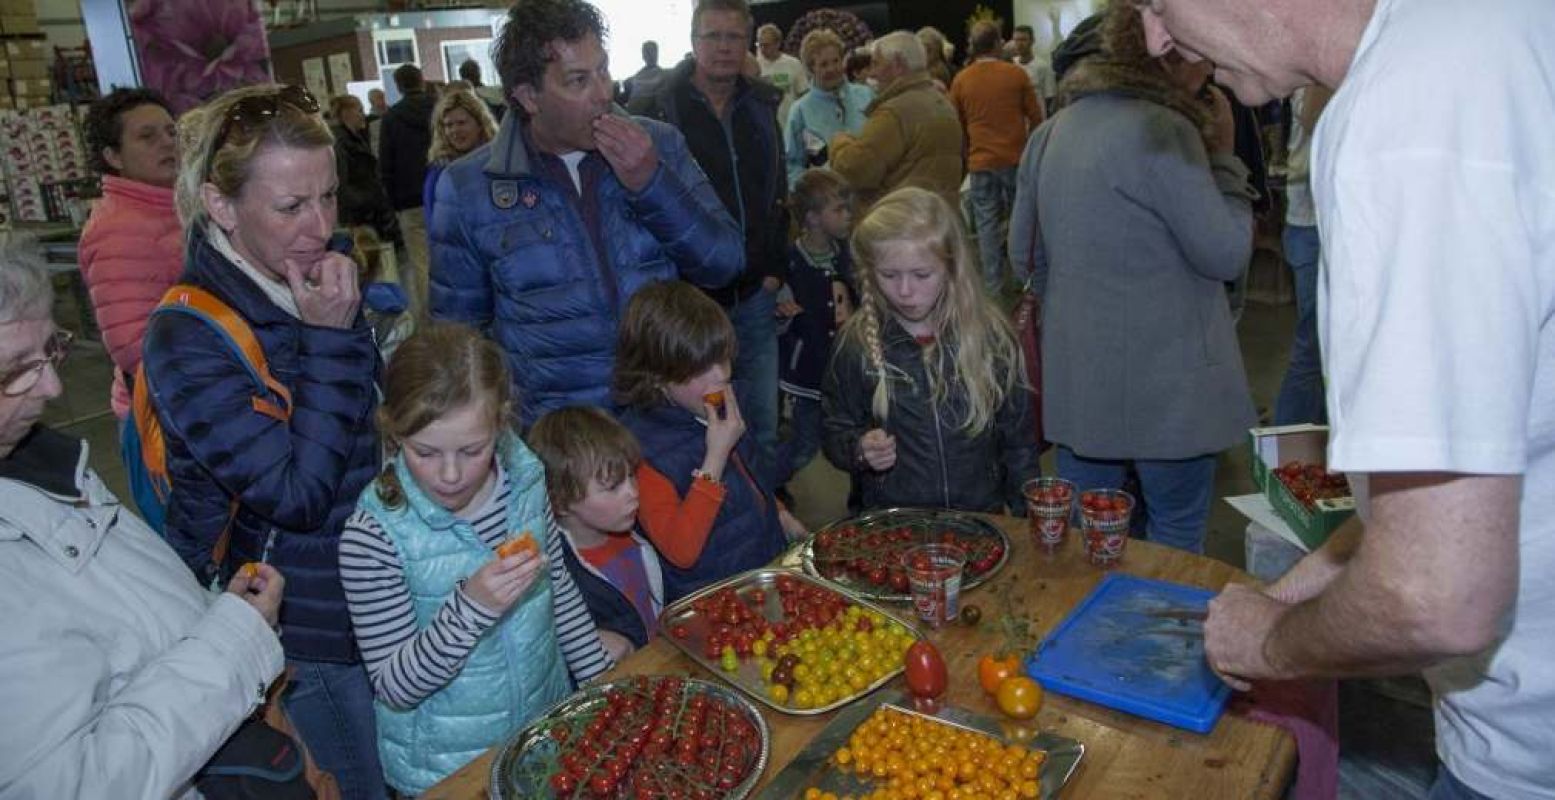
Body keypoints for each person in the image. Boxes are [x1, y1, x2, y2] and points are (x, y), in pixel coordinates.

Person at [1139, 0, 1555, 797]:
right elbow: (1463, 483)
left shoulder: (1403, 114)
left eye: (1155, 1)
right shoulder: (1486, 30)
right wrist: (1286, 592)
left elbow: (1435, 596)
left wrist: (1268, 643)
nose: (1158, 39)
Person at [143, 84, 388, 800]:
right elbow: (295, 495)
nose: (320, 225)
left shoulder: (311, 274)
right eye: (290, 207)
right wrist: (330, 341)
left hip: (370, 594)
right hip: (302, 630)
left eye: (330, 197)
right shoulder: (186, 334)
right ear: (221, 207)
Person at [0, 246, 287, 799]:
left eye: (50, 351)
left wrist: (214, 613)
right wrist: (235, 639)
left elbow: (118, 620)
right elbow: (78, 784)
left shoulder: (39, 463)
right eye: (15, 370)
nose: (54, 389)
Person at [1008, 4, 1253, 554]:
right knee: (1173, 535)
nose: (1207, 70)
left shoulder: (1048, 135)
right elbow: (1226, 254)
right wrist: (1227, 166)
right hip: (1172, 391)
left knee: (1087, 543)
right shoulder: (1169, 130)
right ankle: (1159, 643)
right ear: (1165, 57)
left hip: (1080, 385)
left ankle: (1090, 639)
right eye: (1198, 57)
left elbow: (1023, 260)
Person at [429, 0, 743, 429]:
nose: (603, 92)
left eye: (604, 70)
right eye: (578, 80)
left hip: (669, 424)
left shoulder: (660, 146)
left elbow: (724, 264)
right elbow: (458, 341)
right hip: (562, 443)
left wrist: (652, 183)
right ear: (528, 96)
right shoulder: (468, 188)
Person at [339, 324, 612, 796]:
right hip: (448, 770)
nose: (449, 475)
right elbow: (395, 687)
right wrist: (470, 608)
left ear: (501, 424)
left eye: (472, 450)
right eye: (424, 452)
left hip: (543, 733)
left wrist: (601, 686)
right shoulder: (375, 536)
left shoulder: (525, 477)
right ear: (394, 431)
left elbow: (558, 589)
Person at [639, 0, 789, 480]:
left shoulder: (762, 104)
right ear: (692, 40)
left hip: (754, 293)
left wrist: (774, 270)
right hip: (691, 300)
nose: (724, 48)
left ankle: (768, 507)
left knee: (762, 417)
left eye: (733, 37)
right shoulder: (658, 107)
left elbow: (776, 190)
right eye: (713, 37)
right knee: (695, 419)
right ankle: (718, 512)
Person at [822, 187, 1038, 513]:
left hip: (978, 523)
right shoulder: (857, 345)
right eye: (889, 275)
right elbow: (834, 428)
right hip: (894, 528)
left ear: (952, 268)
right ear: (869, 272)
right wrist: (860, 450)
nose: (905, 291)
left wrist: (1028, 521)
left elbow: (1019, 446)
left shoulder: (992, 338)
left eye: (922, 275)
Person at [614, 281, 802, 603]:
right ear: (657, 377)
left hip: (761, 568)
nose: (720, 375)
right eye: (701, 367)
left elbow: (750, 475)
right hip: (712, 600)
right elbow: (681, 550)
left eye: (723, 359)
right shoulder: (640, 453)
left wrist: (778, 512)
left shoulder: (721, 401)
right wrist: (715, 455)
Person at [77, 87, 182, 531]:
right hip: (163, 421)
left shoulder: (175, 207)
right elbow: (133, 349)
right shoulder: (118, 229)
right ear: (112, 156)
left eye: (170, 131)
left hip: (190, 405)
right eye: (147, 136)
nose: (167, 143)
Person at [528, 405, 663, 659]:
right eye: (613, 487)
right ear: (560, 501)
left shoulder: (635, 536)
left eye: (631, 476)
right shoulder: (558, 581)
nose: (633, 492)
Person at [950, 21, 1044, 295]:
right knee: (1022, 220)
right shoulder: (1016, 75)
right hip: (1016, 158)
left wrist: (967, 155)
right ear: (998, 44)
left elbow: (958, 125)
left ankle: (992, 285)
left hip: (980, 162)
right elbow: (1037, 119)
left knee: (987, 224)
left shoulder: (961, 80)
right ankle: (1023, 279)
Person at [777, 168, 855, 490]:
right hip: (807, 371)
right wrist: (782, 313)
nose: (847, 216)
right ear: (812, 218)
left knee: (854, 435)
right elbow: (778, 316)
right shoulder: (790, 262)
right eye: (838, 209)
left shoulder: (849, 256)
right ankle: (774, 490)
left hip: (847, 370)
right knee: (805, 441)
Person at [830, 31, 964, 212]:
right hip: (939, 218)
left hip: (900, 224)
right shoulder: (943, 103)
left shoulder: (895, 112)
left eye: (876, 63)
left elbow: (855, 171)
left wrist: (839, 142)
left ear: (898, 65)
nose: (873, 73)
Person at [1271, 85, 1330, 426]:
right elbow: (1315, 120)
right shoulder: (1317, 79)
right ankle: (1288, 453)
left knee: (1323, 350)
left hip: (1316, 224)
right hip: (1311, 225)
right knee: (1313, 349)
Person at [379, 63, 436, 317]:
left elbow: (385, 163)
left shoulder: (391, 118)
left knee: (421, 263)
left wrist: (393, 200)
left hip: (408, 201)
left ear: (399, 86)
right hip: (441, 195)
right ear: (422, 80)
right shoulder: (438, 109)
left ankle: (428, 318)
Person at [784, 28, 874, 187]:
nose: (832, 69)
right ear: (811, 69)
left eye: (836, 61)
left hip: (873, 192)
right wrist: (814, 191)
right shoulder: (800, 111)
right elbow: (791, 165)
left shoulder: (867, 96)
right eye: (823, 64)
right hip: (830, 204)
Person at [330, 94, 402, 254]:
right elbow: (341, 183)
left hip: (367, 211)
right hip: (359, 214)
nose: (363, 115)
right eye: (359, 110)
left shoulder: (355, 139)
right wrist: (366, 200)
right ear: (346, 113)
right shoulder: (340, 144)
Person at [421, 89, 498, 229]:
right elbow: (435, 223)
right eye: (449, 125)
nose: (455, 131)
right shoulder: (440, 172)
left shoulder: (500, 162)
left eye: (462, 123)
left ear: (480, 124)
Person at [755, 23, 807, 131]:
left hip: (791, 123)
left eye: (767, 45)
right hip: (765, 126)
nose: (763, 49)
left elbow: (803, 94)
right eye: (760, 45)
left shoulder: (793, 64)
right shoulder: (755, 67)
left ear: (777, 44)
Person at [1011, 24, 1056, 114]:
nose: (1019, 44)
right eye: (1016, 40)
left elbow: (1050, 97)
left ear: (1032, 41)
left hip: (1038, 118)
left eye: (1023, 40)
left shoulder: (1043, 66)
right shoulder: (1011, 65)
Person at [621, 40, 665, 107]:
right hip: (631, 111)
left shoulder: (663, 75)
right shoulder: (638, 75)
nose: (650, 55)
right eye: (647, 52)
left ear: (657, 53)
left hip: (648, 111)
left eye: (652, 51)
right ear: (643, 55)